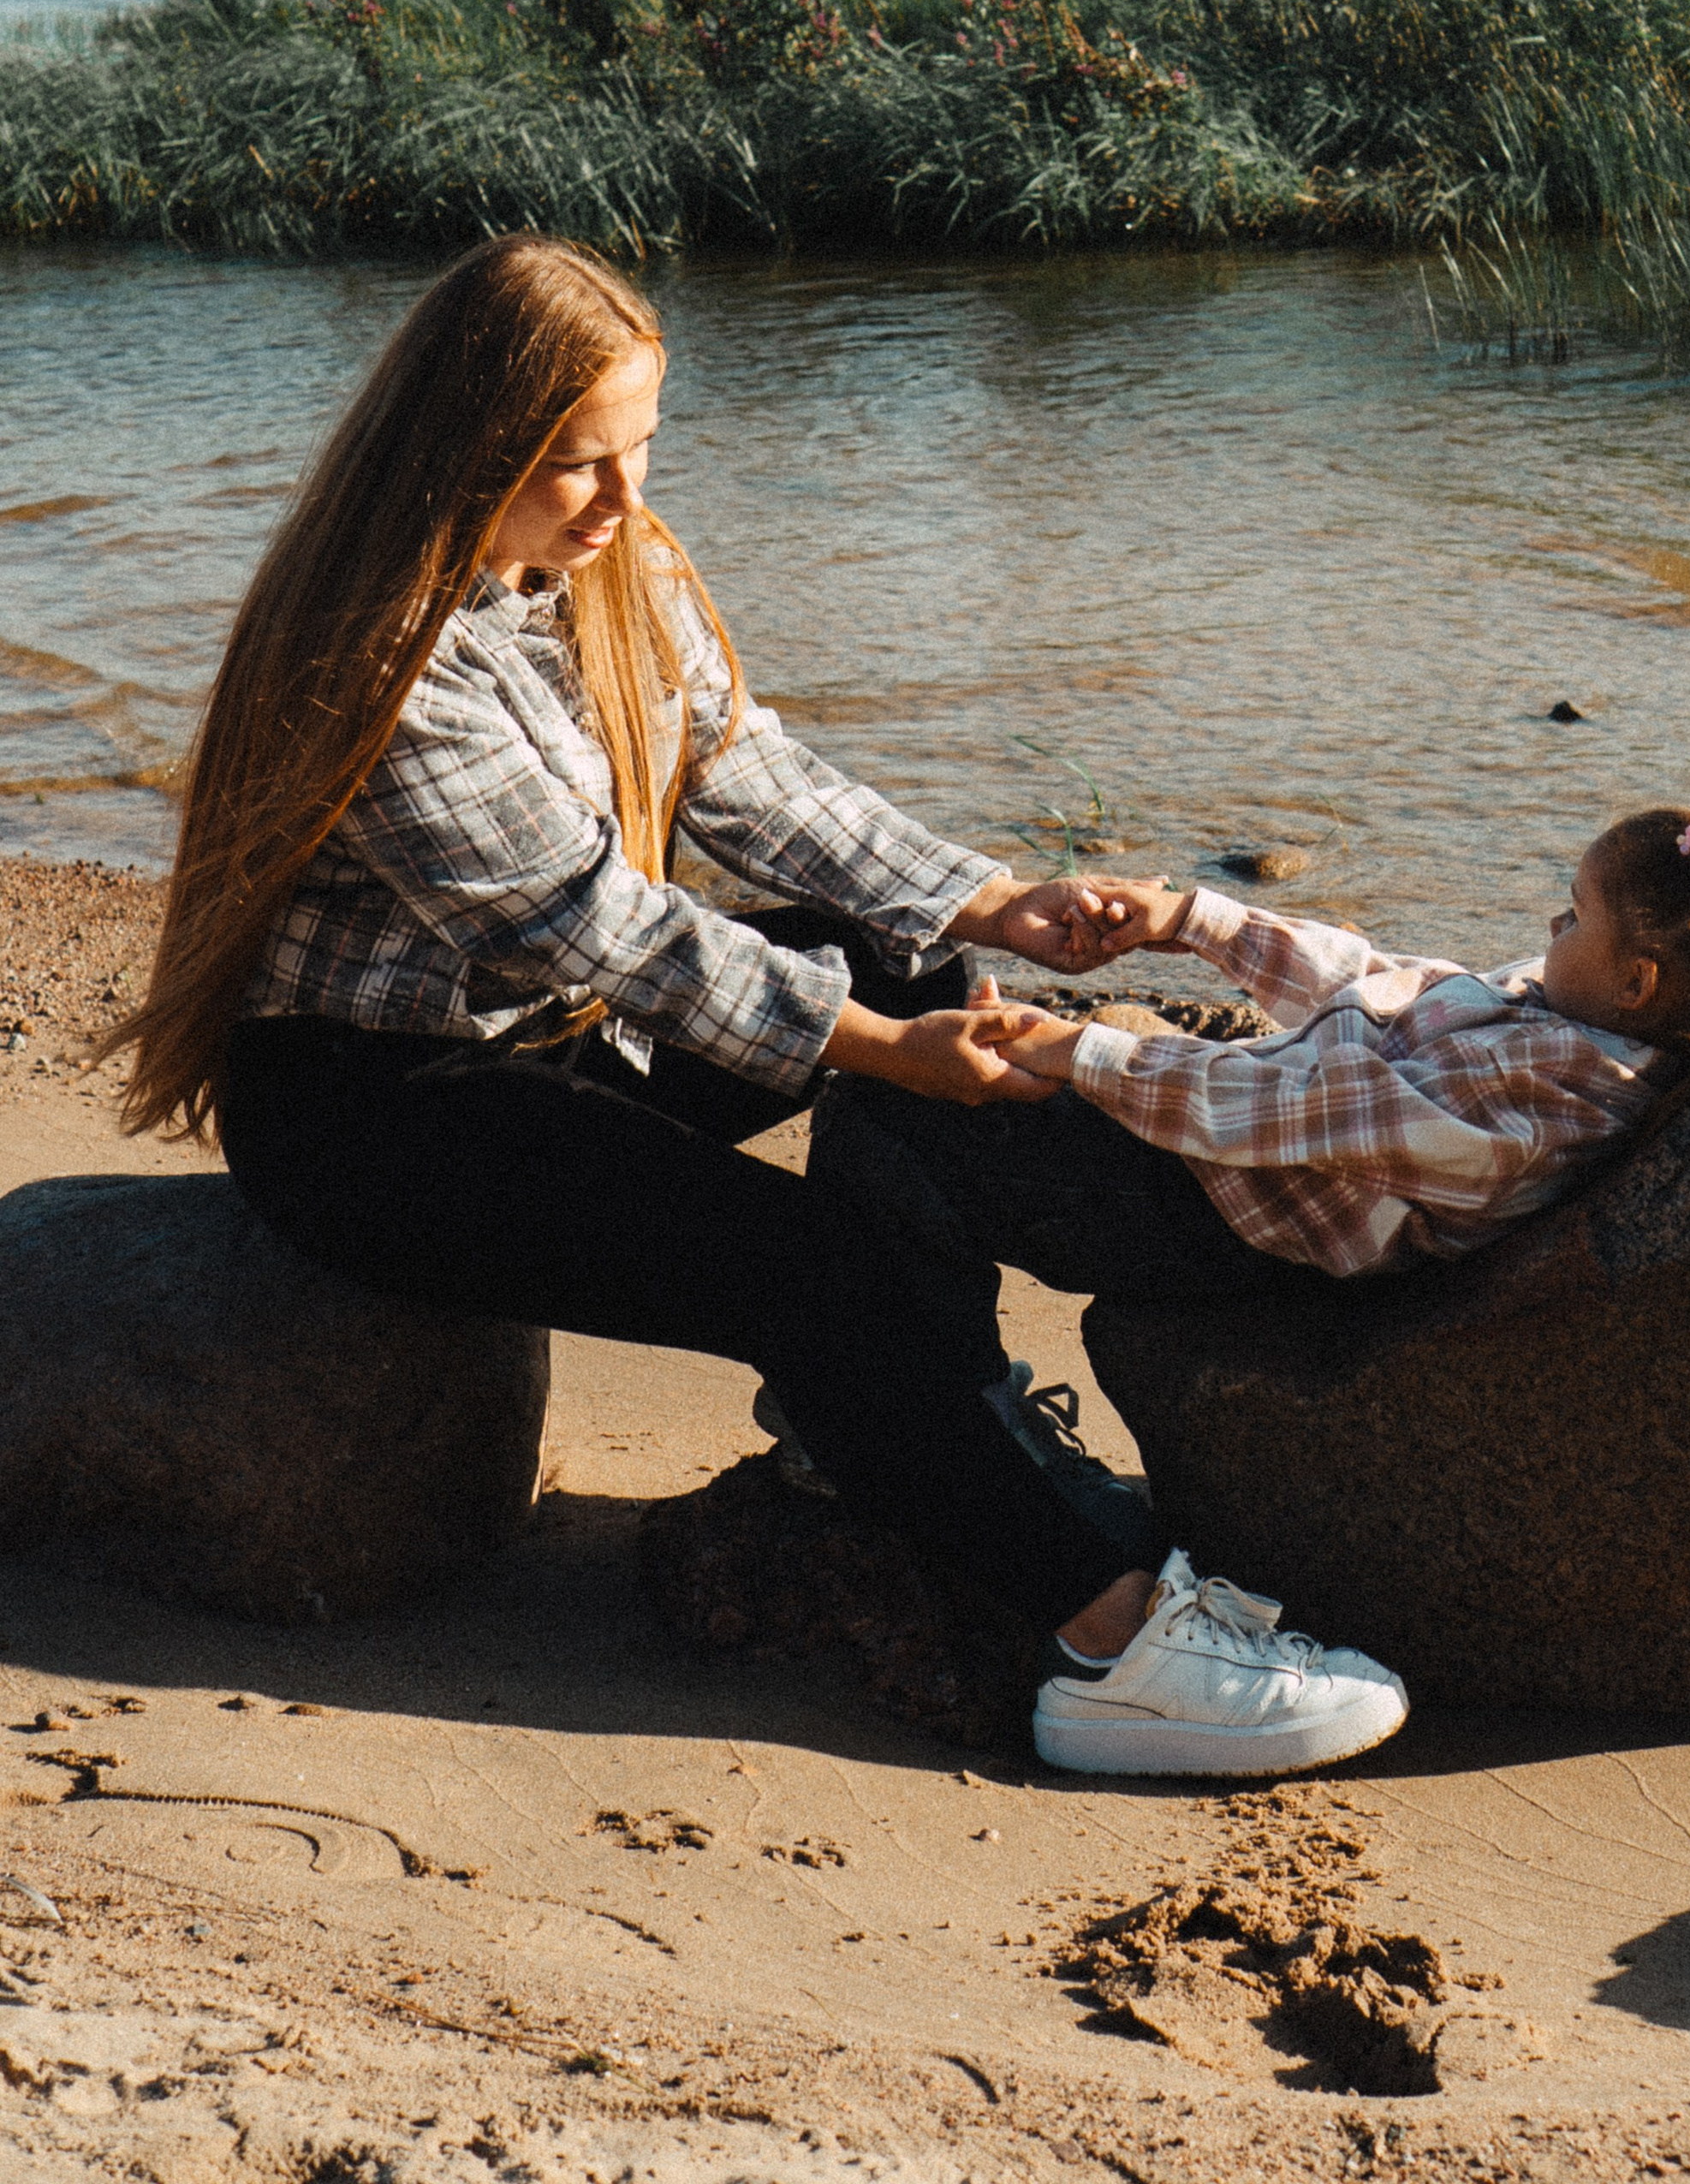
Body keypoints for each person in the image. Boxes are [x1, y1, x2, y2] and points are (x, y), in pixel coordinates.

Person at [110, 234, 1408, 1781]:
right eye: (577, 465)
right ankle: (1106, 1640)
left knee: (903, 952)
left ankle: (893, 1425)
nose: (625, 500)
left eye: (642, 449)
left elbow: (749, 776)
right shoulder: (384, 658)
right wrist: (875, 1054)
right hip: (376, 1114)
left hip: (552, 1049)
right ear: (465, 452)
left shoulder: (608, 567)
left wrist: (985, 904)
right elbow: (600, 927)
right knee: (805, 1259)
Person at [806, 807, 1690, 1488]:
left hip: (1224, 1224)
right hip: (1232, 1157)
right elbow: (1382, 982)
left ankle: (915, 1414)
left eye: (1571, 916)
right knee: (924, 992)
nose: (1549, 930)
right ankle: (906, 1377)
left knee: (885, 1109)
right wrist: (1194, 919)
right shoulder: (1575, 1019)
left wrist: (1076, 1051)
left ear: (1639, 982)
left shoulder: (1551, 1099)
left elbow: (1283, 1112)